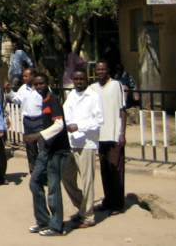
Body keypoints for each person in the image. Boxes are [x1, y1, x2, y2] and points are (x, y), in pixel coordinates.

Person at [25, 73, 72, 237]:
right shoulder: (44, 99)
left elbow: (59, 124)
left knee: (53, 187)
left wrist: (37, 135)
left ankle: (57, 226)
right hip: (47, 149)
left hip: (57, 150)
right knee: (35, 181)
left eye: (41, 84)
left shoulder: (53, 99)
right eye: (36, 84)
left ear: (48, 83)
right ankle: (43, 221)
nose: (39, 87)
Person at [62, 68, 103, 229]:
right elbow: (65, 115)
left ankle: (88, 217)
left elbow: (99, 120)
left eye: (82, 79)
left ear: (86, 79)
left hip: (87, 143)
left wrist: (79, 126)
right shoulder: (71, 96)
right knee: (66, 176)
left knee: (87, 181)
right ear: (72, 79)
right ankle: (82, 207)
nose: (79, 82)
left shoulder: (93, 97)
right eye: (76, 79)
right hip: (71, 143)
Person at [90, 60, 127, 216]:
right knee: (104, 169)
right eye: (98, 69)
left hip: (113, 134)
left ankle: (118, 203)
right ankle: (107, 200)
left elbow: (122, 110)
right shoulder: (92, 89)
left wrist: (122, 132)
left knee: (115, 168)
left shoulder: (116, 85)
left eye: (103, 69)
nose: (100, 72)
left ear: (108, 70)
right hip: (99, 135)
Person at [4, 67, 42, 173]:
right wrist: (9, 91)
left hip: (40, 121)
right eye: (23, 76)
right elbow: (17, 99)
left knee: (43, 148)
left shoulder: (41, 87)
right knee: (31, 148)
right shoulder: (23, 88)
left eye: (26, 76)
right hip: (28, 121)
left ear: (33, 76)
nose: (24, 78)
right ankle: (34, 172)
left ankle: (44, 172)